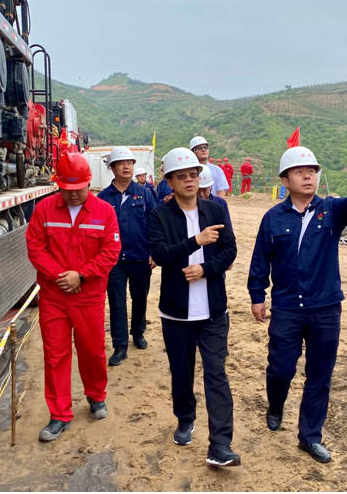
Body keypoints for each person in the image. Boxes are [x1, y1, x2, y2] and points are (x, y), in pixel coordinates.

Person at [247, 146, 347, 463]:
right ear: (285, 180)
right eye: (299, 172)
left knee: (319, 376)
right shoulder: (272, 218)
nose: (308, 176)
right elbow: (260, 259)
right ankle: (276, 404)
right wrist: (257, 295)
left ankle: (310, 437)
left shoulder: (331, 211)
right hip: (287, 307)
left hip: (325, 308)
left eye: (312, 171)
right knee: (280, 369)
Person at [149, 147, 241, 468]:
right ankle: (185, 418)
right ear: (170, 182)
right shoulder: (159, 215)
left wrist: (205, 269)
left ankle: (221, 444)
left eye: (193, 175)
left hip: (214, 310)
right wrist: (195, 242)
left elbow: (230, 250)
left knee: (216, 373)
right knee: (182, 371)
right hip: (176, 311)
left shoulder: (215, 209)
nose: (189, 180)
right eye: (181, 176)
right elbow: (160, 254)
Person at [26, 152, 121, 441]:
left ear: (88, 182)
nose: (73, 194)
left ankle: (96, 395)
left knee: (92, 350)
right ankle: (59, 414)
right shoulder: (44, 210)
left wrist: (82, 275)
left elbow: (111, 251)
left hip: (89, 296)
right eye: (67, 189)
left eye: (79, 188)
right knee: (55, 354)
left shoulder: (105, 212)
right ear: (58, 185)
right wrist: (61, 276)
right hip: (54, 296)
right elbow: (35, 247)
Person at [98, 146, 157, 366]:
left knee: (140, 298)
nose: (126, 167)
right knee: (117, 302)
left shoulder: (145, 194)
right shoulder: (103, 198)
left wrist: (153, 251)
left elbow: (154, 223)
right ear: (112, 168)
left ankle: (138, 332)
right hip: (114, 261)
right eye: (121, 163)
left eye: (130, 163)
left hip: (141, 257)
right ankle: (120, 345)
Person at [197, 164, 233, 230]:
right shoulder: (188, 207)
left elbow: (228, 230)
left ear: (210, 188)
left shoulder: (220, 203)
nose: (201, 194)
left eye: (204, 190)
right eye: (198, 190)